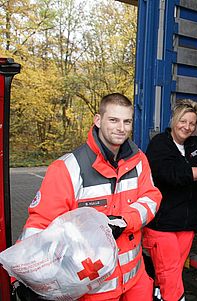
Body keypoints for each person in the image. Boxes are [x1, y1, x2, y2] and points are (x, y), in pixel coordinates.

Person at [13, 93, 162, 300]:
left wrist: (125, 221)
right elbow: (40, 225)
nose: (121, 128)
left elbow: (151, 199)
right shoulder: (67, 168)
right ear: (98, 120)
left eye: (127, 121)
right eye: (113, 120)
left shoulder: (139, 161)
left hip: (135, 282)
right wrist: (27, 276)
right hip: (93, 290)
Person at [143, 99, 197, 301]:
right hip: (162, 225)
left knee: (169, 275)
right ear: (174, 120)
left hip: (186, 225)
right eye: (183, 121)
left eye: (192, 123)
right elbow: (173, 174)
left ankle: (158, 295)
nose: (187, 127)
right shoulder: (159, 144)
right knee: (171, 276)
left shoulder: (194, 144)